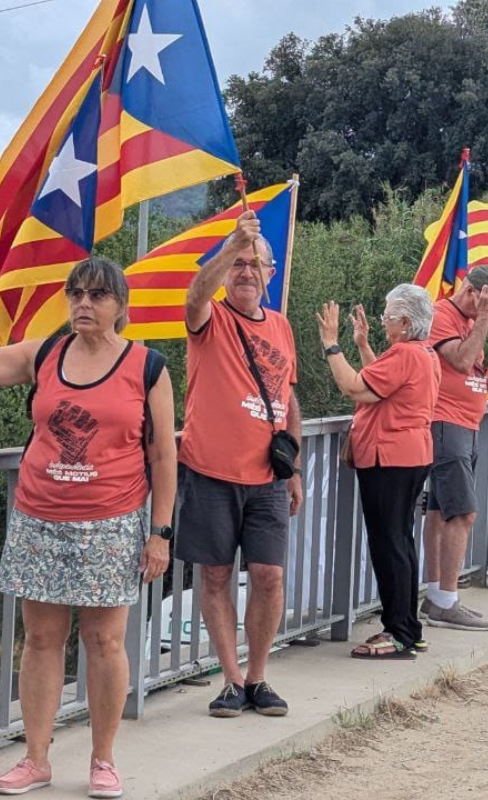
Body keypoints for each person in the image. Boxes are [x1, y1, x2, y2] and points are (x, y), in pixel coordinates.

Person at [0, 255, 175, 798]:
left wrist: (160, 533)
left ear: (120, 307)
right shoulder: (45, 353)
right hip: (39, 518)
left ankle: (103, 760)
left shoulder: (148, 366)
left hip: (112, 521)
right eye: (75, 293)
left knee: (104, 642)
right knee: (41, 641)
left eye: (97, 295)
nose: (83, 304)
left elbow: (164, 455)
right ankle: (36, 760)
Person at [175, 211, 302, 718]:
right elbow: (193, 296)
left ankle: (258, 677)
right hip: (210, 469)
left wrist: (294, 466)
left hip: (267, 476)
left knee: (269, 575)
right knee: (215, 577)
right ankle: (230, 678)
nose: (246, 272)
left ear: (271, 275)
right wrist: (232, 245)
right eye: (239, 265)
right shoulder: (210, 318)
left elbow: (287, 395)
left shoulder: (281, 326)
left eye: (256, 265)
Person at [316, 286, 441, 658]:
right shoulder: (422, 353)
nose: (383, 321)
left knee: (389, 545)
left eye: (387, 316)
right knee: (400, 541)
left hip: (390, 458)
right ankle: (407, 627)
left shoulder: (405, 353)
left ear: (404, 322)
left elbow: (354, 387)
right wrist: (362, 344)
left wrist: (331, 344)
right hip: (409, 454)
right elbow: (381, 383)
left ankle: (398, 631)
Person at [421, 266, 488, 631]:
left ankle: (436, 597)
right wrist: (484, 317)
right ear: (473, 292)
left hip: (466, 423)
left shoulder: (466, 321)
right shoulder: (443, 314)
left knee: (440, 513)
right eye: (487, 301)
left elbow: (466, 371)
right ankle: (446, 599)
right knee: (463, 514)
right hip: (447, 424)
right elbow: (460, 359)